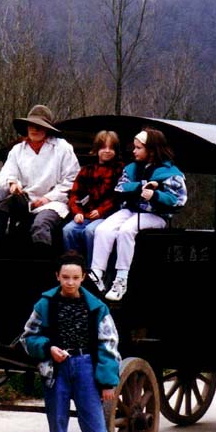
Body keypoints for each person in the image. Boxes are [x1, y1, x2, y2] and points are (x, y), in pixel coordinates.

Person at [20, 252, 140, 432]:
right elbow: (28, 337)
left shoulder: (97, 307)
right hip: (57, 371)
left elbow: (109, 344)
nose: (70, 282)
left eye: (75, 277)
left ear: (83, 277)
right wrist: (48, 348)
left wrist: (108, 381)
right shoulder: (45, 304)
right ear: (57, 276)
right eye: (65, 277)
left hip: (86, 369)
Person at [89, 127, 187, 301]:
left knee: (127, 230)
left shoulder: (170, 172)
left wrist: (156, 195)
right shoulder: (132, 168)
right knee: (103, 229)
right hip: (132, 210)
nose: (134, 151)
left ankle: (121, 279)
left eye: (138, 148)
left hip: (156, 216)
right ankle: (97, 274)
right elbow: (121, 187)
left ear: (151, 149)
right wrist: (142, 186)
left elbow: (178, 199)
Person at [0, 105, 80, 253]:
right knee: (0, 195)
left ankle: (42, 260)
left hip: (53, 203)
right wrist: (12, 183)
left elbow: (71, 180)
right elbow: (7, 172)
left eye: (39, 126)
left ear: (47, 128)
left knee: (40, 225)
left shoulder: (62, 148)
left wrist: (47, 199)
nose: (34, 130)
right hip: (24, 200)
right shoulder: (18, 150)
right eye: (32, 125)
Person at [62, 130, 124, 261]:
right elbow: (74, 194)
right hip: (85, 214)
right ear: (96, 149)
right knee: (68, 230)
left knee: (91, 231)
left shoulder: (120, 170)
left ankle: (94, 270)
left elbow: (117, 197)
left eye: (111, 148)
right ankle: (74, 266)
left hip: (108, 216)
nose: (107, 151)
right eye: (103, 147)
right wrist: (77, 212)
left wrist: (101, 211)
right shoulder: (86, 170)